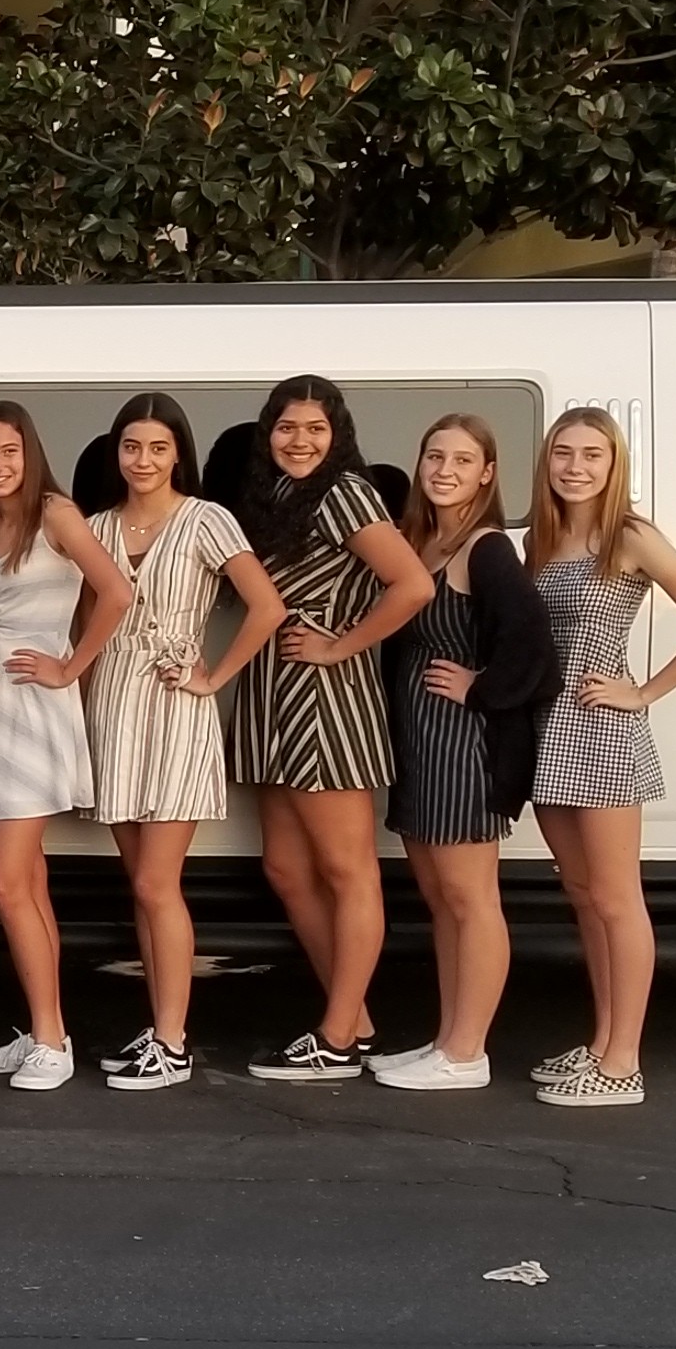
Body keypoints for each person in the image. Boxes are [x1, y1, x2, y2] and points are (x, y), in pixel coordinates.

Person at [526, 406, 676, 1109]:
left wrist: (643, 692)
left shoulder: (631, 536)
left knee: (618, 899)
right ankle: (601, 1042)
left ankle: (623, 1063)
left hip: (602, 732)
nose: (575, 467)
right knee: (583, 893)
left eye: (593, 454)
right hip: (548, 731)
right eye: (564, 453)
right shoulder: (540, 539)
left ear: (615, 464)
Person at [227, 377, 435, 1083]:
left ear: (337, 434)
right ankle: (357, 1022)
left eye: (316, 429)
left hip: (326, 699)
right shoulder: (272, 496)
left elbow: (413, 584)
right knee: (287, 870)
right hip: (273, 694)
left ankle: (337, 1037)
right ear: (269, 432)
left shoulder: (345, 492)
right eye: (287, 427)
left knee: (348, 871)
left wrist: (340, 645)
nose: (300, 441)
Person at [82, 393, 286, 1093]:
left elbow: (267, 607)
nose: (143, 460)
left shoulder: (206, 518)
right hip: (113, 704)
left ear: (178, 455)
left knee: (156, 882)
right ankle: (158, 1028)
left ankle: (173, 1041)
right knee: (139, 886)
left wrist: (214, 677)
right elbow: (86, 624)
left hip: (174, 705)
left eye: (158, 448)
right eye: (131, 446)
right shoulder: (97, 526)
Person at [0, 401, 132, 1094]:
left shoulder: (56, 513)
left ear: (30, 453)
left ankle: (52, 1041)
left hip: (35, 700)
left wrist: (70, 667)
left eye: (8, 452)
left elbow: (116, 592)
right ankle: (44, 1031)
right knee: (27, 880)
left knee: (4, 882)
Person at [372, 415, 558, 1092]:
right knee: (440, 898)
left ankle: (467, 1053)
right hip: (418, 742)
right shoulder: (421, 542)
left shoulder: (487, 549)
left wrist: (482, 690)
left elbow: (535, 647)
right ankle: (446, 1040)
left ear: (487, 473)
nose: (444, 470)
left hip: (463, 745)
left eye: (461, 460)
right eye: (434, 456)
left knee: (470, 898)